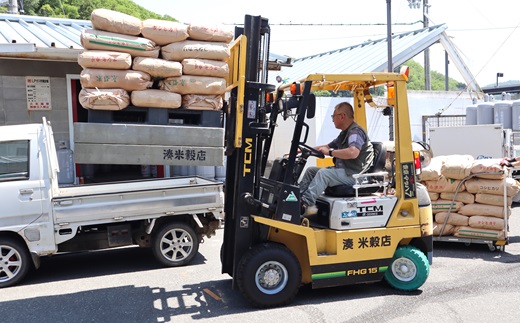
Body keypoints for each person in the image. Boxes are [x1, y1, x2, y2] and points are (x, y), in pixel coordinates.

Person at [300, 102, 374, 216]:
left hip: (354, 175)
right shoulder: (344, 134)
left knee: (324, 174)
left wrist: (330, 153)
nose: (333, 120)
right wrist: (303, 150)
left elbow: (353, 152)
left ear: (342, 116)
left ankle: (303, 205)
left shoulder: (355, 132)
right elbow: (327, 146)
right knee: (311, 171)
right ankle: (297, 198)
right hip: (345, 172)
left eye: (333, 116)